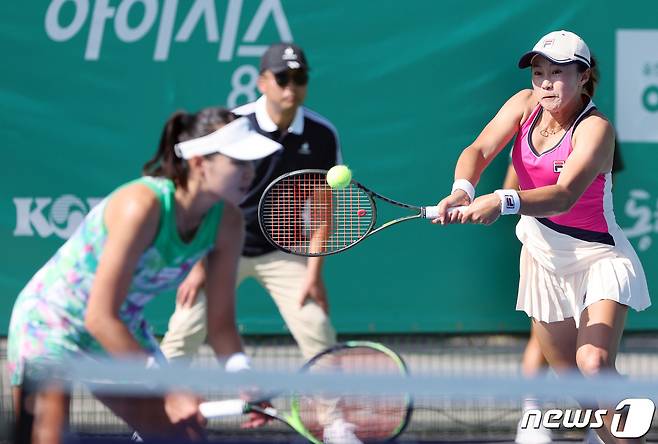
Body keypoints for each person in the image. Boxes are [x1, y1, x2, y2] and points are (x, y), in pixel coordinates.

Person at [6, 107, 282, 442]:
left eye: (250, 162)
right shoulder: (141, 206)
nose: (249, 172)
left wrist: (243, 376)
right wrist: (168, 388)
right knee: (49, 434)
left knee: (185, 434)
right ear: (199, 163)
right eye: (238, 162)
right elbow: (99, 317)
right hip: (52, 321)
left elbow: (220, 324)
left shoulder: (228, 223)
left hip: (118, 323)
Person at [434, 30, 650, 444]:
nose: (545, 82)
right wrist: (464, 188)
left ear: (584, 76)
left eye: (557, 72)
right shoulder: (523, 105)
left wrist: (503, 200)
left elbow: (564, 195)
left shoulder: (597, 129)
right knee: (579, 388)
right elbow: (479, 150)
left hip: (598, 255)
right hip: (542, 255)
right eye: (538, 73)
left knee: (594, 364)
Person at [160, 43, 342, 366]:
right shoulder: (235, 126)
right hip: (221, 245)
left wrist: (314, 274)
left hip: (283, 248)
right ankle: (156, 410)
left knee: (317, 327)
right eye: (283, 78)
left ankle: (332, 416)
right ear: (262, 83)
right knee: (184, 328)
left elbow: (322, 209)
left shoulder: (323, 134)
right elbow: (204, 198)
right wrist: (197, 265)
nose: (291, 87)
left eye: (299, 79)